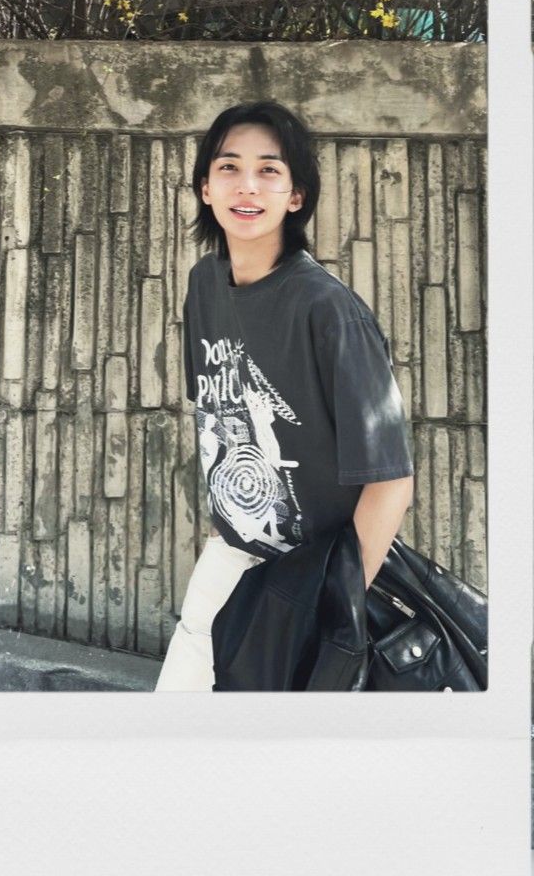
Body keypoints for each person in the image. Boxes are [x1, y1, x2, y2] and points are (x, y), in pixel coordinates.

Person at [155, 99, 414, 691]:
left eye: (269, 170)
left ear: (296, 195)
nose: (247, 186)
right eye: (229, 168)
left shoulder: (328, 310)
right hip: (227, 561)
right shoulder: (204, 285)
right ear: (204, 187)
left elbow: (391, 479)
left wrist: (332, 607)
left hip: (308, 583)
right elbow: (219, 412)